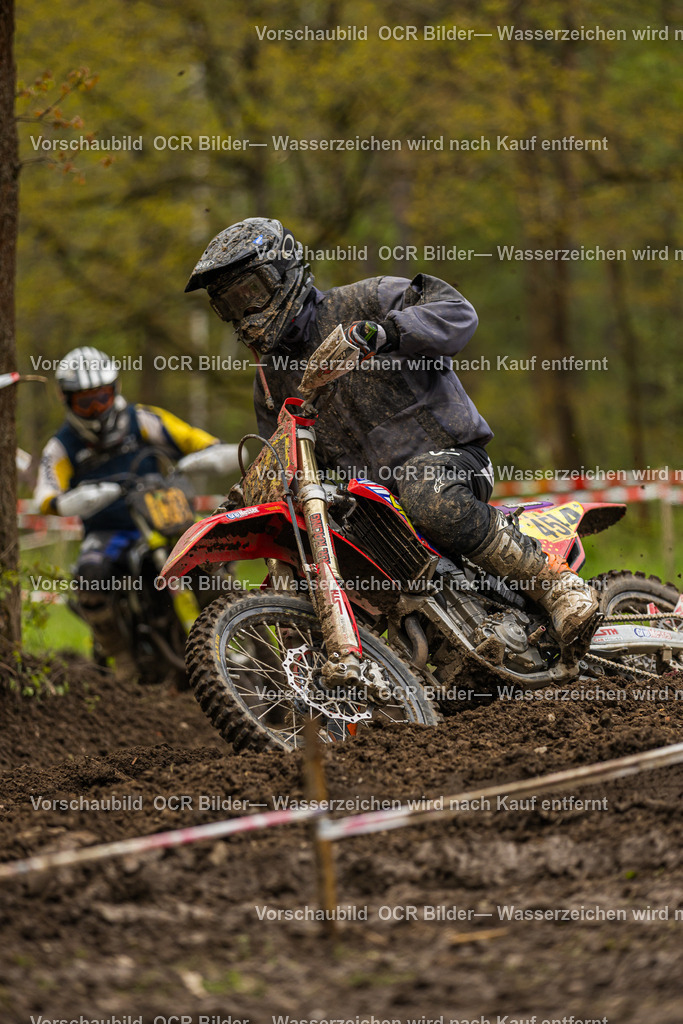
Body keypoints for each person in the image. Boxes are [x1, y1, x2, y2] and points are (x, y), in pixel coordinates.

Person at [184, 217, 599, 654]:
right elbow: (282, 457)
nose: (243, 313)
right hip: (371, 505)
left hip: (450, 459)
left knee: (425, 489)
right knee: (308, 553)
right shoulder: (269, 382)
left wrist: (384, 332)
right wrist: (250, 494)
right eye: (229, 305)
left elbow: (457, 314)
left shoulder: (367, 299)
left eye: (249, 293)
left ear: (284, 272)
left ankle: (558, 587)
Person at [34, 347, 220, 674]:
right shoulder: (62, 445)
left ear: (115, 390)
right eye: (85, 402)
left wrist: (205, 457)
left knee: (212, 550)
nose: (95, 409)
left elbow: (199, 441)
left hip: (163, 515)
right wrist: (65, 501)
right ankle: (120, 655)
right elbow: (46, 495)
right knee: (90, 574)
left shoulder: (143, 418)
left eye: (101, 398)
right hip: (110, 532)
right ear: (67, 400)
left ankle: (234, 618)